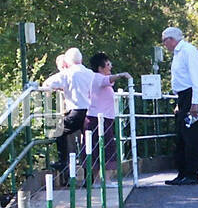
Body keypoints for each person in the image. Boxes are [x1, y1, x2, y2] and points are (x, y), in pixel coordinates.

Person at [42, 47, 119, 174]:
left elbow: (47, 84)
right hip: (92, 113)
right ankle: (89, 179)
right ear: (81, 59)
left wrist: (59, 89)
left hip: (77, 112)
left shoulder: (67, 73)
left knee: (58, 130)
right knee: (88, 144)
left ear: (67, 61)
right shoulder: (90, 73)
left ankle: (62, 162)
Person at [160, 26, 198, 185]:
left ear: (170, 40)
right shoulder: (178, 53)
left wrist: (194, 103)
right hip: (183, 97)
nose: (164, 45)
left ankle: (192, 174)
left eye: (164, 41)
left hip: (191, 96)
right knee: (180, 137)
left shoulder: (188, 51)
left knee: (191, 136)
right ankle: (182, 173)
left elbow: (196, 79)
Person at [85, 52, 131, 182]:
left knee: (103, 148)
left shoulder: (97, 79)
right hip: (99, 119)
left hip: (103, 118)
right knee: (102, 148)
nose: (110, 66)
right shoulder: (97, 78)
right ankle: (103, 180)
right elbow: (107, 79)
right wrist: (121, 75)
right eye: (107, 64)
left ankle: (101, 180)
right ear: (100, 67)